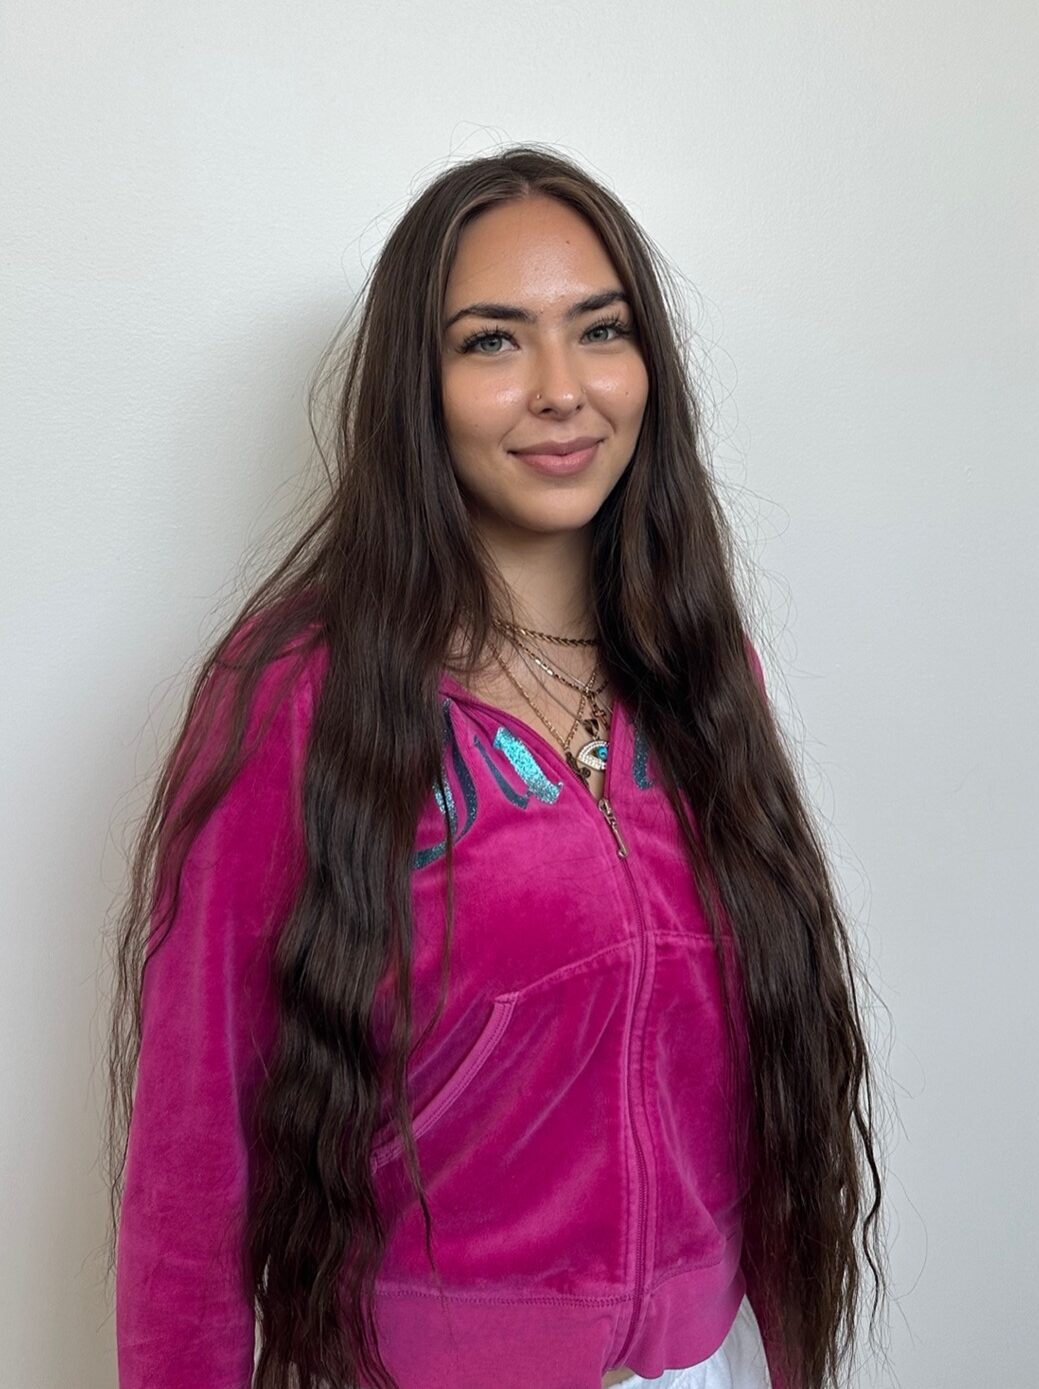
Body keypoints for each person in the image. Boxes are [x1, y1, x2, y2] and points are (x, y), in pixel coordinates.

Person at [103, 145, 886, 1389]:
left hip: (696, 1368)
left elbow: (769, 1091)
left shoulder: (700, 669)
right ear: (417, 386)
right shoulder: (298, 695)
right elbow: (192, 1177)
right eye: (492, 342)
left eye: (600, 330)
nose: (562, 390)